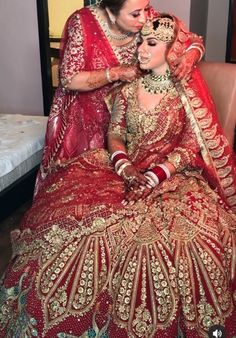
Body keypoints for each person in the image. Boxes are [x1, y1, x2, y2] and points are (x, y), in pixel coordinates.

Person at [1, 12, 236, 338]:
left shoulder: (184, 92)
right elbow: (116, 134)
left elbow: (190, 144)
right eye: (140, 41)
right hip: (118, 168)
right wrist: (123, 163)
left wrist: (156, 174)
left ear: (170, 50)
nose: (140, 49)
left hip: (173, 176)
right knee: (67, 229)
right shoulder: (128, 89)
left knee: (191, 245)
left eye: (151, 43)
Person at [35, 0, 205, 194]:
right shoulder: (81, 23)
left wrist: (190, 56)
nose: (144, 18)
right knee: (81, 188)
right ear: (111, 12)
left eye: (146, 9)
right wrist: (116, 73)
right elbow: (68, 79)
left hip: (132, 114)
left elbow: (189, 39)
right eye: (135, 14)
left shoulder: (144, 14)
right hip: (85, 118)